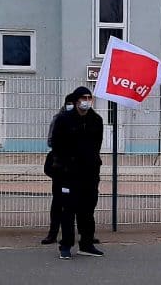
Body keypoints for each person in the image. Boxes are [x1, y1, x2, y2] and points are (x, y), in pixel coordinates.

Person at [50, 86, 104, 259]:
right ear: (75, 101)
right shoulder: (64, 119)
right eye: (83, 98)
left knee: (88, 210)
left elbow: (97, 145)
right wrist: (64, 166)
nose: (86, 101)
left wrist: (94, 165)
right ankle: (65, 245)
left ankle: (87, 244)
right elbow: (56, 145)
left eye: (89, 97)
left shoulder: (96, 120)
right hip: (69, 173)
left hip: (90, 173)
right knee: (68, 210)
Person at [41, 93, 76, 245]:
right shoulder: (58, 118)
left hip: (78, 166)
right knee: (58, 201)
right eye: (69, 103)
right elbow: (50, 141)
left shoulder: (86, 119)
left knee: (80, 201)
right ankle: (53, 233)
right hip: (61, 166)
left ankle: (85, 233)